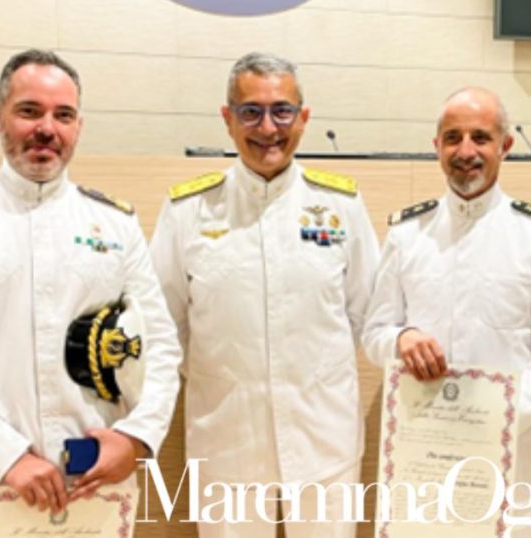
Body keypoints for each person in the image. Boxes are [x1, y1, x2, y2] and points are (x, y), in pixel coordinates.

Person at [0, 49, 182, 537]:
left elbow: (159, 346)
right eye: (29, 111)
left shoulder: (115, 224)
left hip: (93, 491)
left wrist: (136, 438)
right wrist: (6, 456)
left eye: (63, 115)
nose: (47, 128)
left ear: (78, 127)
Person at [149, 52, 379, 537]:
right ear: (228, 118)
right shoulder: (189, 210)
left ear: (304, 117)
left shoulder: (340, 205)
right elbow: (162, 327)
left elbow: (366, 315)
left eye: (282, 111)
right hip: (226, 439)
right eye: (251, 112)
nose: (268, 128)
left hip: (324, 439)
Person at [362, 87, 531, 496]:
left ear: (505, 145)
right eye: (453, 138)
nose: (466, 151)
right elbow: (374, 332)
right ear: (437, 146)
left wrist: (496, 416)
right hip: (422, 450)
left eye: (480, 137)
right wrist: (401, 338)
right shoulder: (407, 234)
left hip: (508, 451)